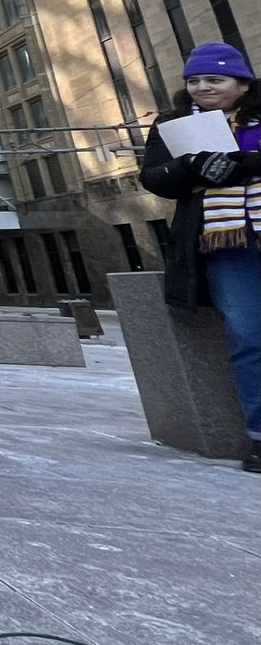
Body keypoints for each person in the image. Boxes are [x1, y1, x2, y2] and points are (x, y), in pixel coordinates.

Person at [139, 42, 261, 475]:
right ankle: (260, 436)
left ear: (243, 83)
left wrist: (242, 163)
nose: (203, 88)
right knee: (248, 338)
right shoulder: (172, 124)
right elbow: (153, 176)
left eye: (215, 79)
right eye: (194, 81)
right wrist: (194, 168)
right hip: (227, 246)